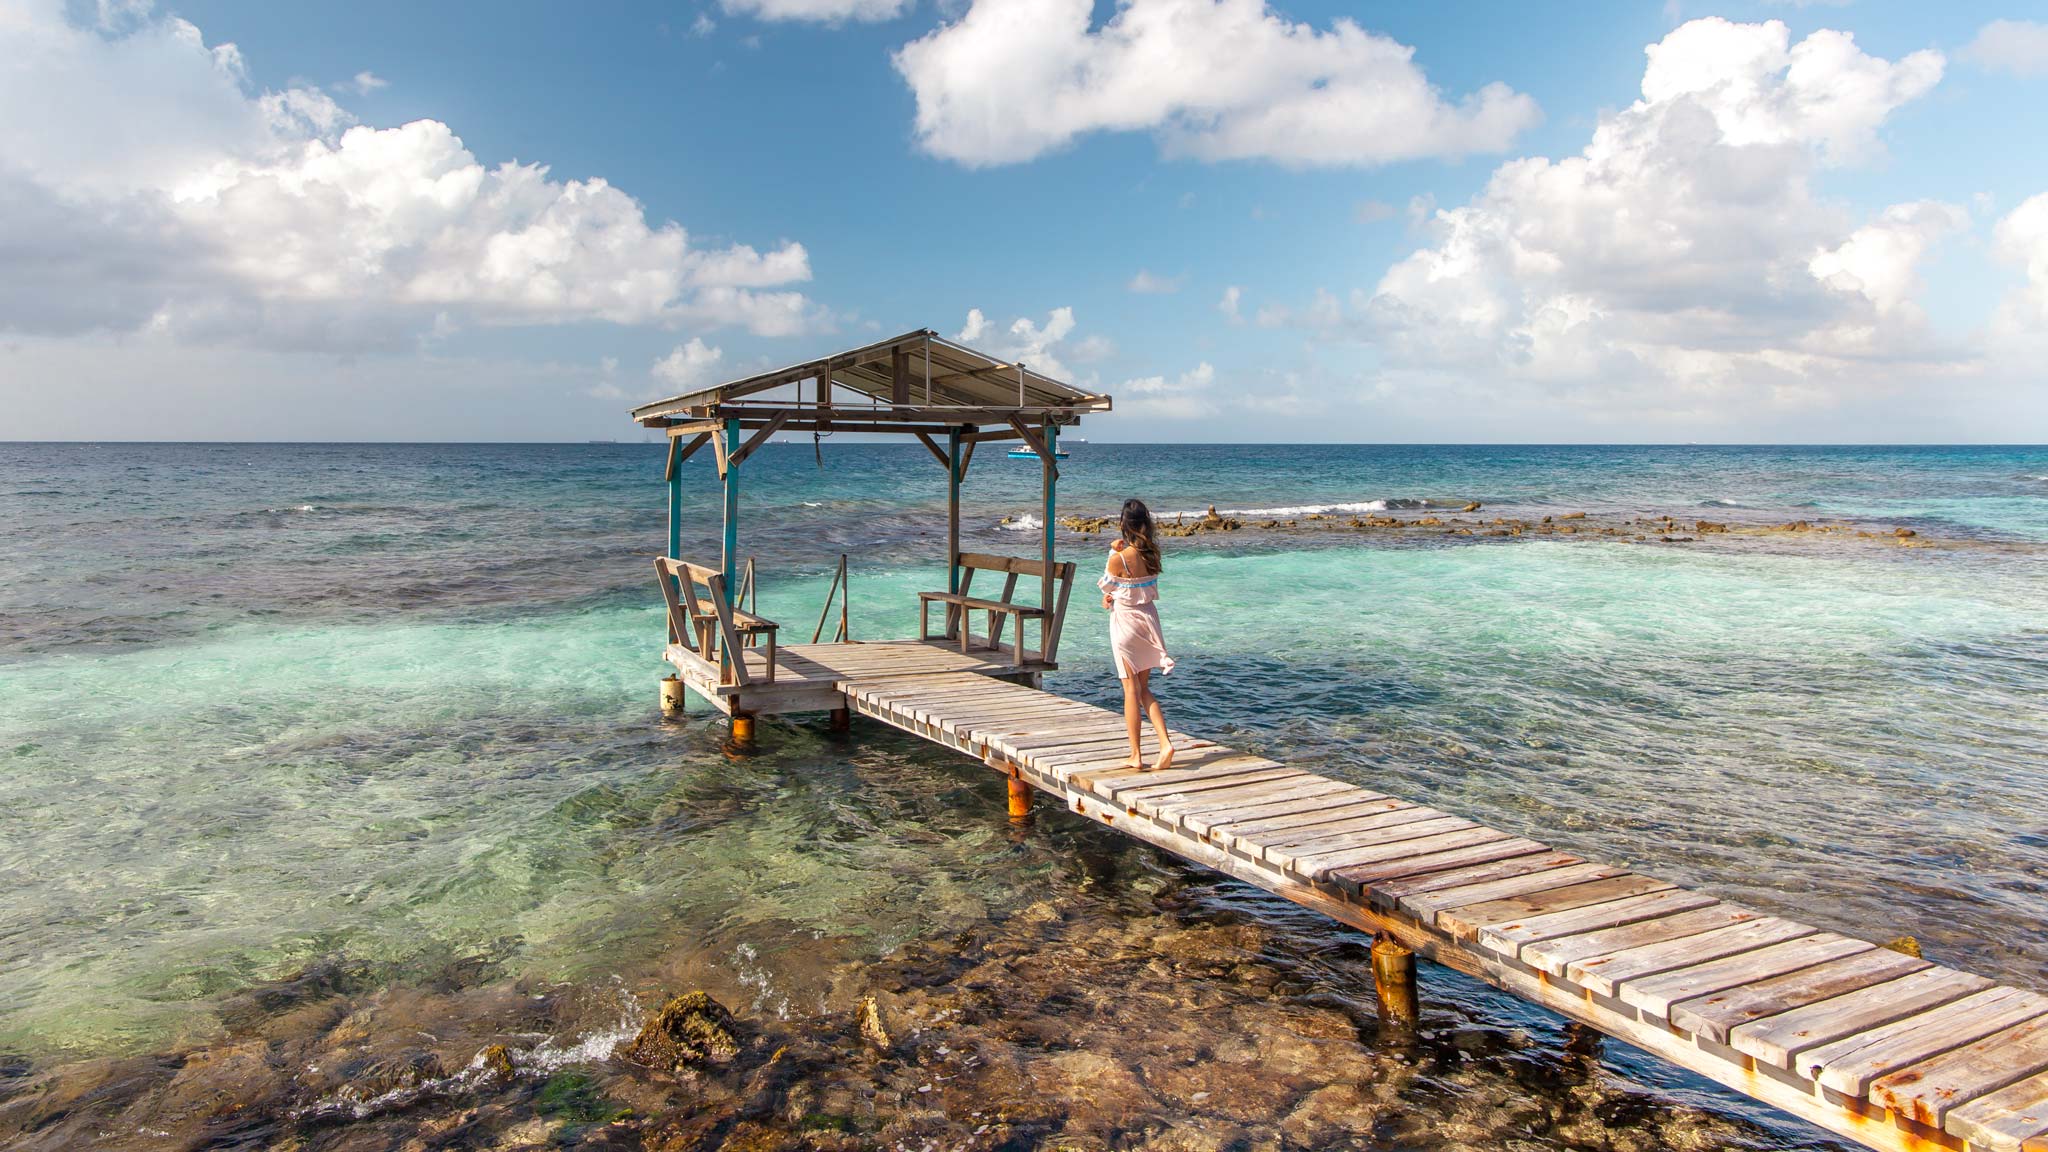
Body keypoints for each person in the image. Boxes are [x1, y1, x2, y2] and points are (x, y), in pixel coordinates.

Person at [1099, 498, 1175, 772]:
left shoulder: (1119, 558)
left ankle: (1136, 754)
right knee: (1143, 688)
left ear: (1123, 524)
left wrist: (1111, 553)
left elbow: (1106, 586)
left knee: (1130, 689)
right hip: (1148, 619)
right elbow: (1135, 588)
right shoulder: (1152, 554)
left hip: (1127, 622)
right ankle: (1165, 743)